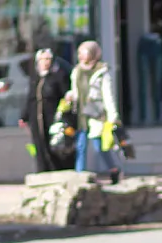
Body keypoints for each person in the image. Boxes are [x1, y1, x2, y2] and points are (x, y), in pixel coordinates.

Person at [69, 41, 121, 185]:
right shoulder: (77, 71)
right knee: (81, 146)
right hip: (81, 115)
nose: (80, 56)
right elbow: (75, 91)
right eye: (79, 53)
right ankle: (79, 176)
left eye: (84, 52)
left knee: (100, 147)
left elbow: (108, 95)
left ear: (92, 53)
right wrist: (70, 97)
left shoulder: (101, 72)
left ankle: (114, 170)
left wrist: (112, 116)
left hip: (97, 115)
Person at [20, 49, 73, 172]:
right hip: (36, 117)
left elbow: (65, 96)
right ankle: (42, 170)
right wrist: (24, 116)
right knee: (39, 145)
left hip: (52, 117)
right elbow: (31, 98)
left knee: (54, 145)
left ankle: (56, 169)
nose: (45, 62)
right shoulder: (35, 78)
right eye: (43, 60)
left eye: (48, 59)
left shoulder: (58, 77)